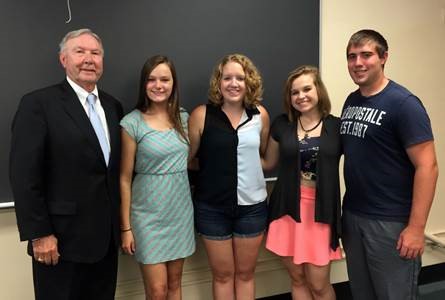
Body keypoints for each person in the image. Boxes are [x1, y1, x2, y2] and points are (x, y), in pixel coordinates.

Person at [9, 28, 123, 300]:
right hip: (59, 243)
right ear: (63, 59)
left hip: (106, 243)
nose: (88, 59)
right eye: (79, 51)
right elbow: (24, 176)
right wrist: (40, 234)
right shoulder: (38, 104)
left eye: (95, 53)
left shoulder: (113, 106)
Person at [340, 29, 439, 300]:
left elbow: (428, 166)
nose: (358, 62)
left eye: (366, 55)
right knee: (362, 293)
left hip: (390, 222)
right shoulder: (352, 100)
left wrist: (417, 228)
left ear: (384, 58)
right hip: (354, 216)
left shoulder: (404, 104)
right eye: (352, 56)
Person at [188, 53, 269, 300]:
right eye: (227, 78)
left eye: (240, 78)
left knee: (245, 274)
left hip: (252, 208)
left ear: (249, 82)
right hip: (212, 208)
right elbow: (189, 159)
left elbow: (264, 157)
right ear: (218, 82)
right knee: (222, 275)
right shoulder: (201, 115)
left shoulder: (260, 115)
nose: (233, 84)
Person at [263, 65, 342, 300]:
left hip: (321, 213)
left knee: (319, 285)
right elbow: (268, 163)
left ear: (318, 90)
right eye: (294, 92)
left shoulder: (337, 127)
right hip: (286, 210)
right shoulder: (281, 124)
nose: (301, 96)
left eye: (306, 89)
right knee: (297, 278)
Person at [120, 55, 195, 300]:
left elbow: (192, 160)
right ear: (144, 84)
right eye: (151, 79)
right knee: (157, 290)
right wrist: (126, 228)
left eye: (165, 79)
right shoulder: (132, 123)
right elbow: (124, 178)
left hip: (180, 212)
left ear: (174, 83)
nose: (158, 85)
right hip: (147, 217)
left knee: (174, 284)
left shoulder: (183, 118)